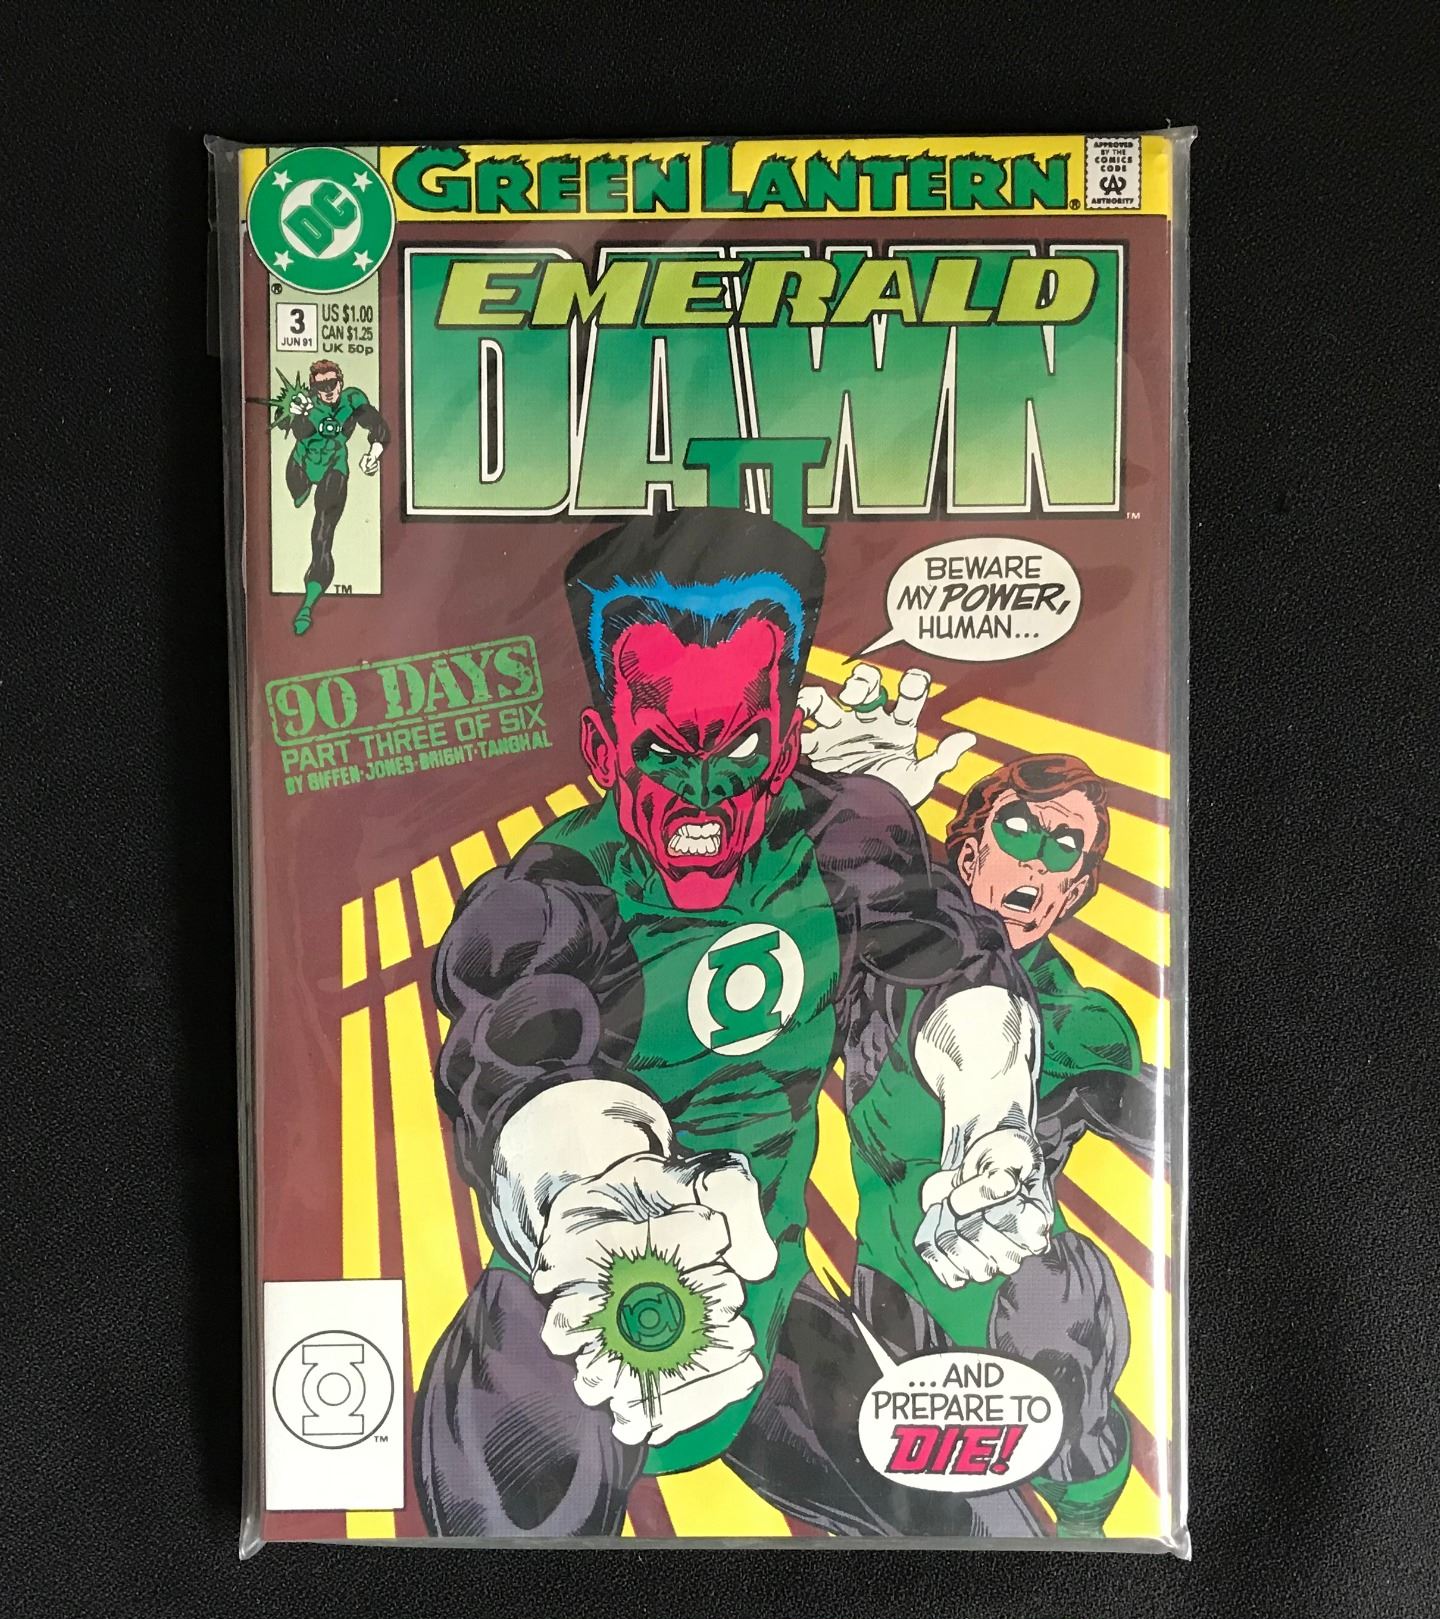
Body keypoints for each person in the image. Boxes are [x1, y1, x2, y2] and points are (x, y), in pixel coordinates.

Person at [414, 510, 1058, 1539]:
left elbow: (949, 959)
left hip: (768, 1303)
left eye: (738, 747)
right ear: (603, 750)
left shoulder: (848, 837)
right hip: (572, 1308)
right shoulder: (554, 892)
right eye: (665, 753)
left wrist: (989, 1124)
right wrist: (602, 1194)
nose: (704, 792)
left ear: (786, 740)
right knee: (508, 1549)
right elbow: (519, 1050)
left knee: (992, 1538)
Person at [804, 679, 1153, 1536]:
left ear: (1075, 891)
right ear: (967, 855)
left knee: (1077, 1471)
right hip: (891, 1286)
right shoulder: (872, 972)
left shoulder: (1082, 1019)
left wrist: (1002, 1139)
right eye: (1019, 831)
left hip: (1026, 1294)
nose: (1036, 862)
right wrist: (855, 801)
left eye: (1064, 849)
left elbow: (1092, 1089)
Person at [279, 359, 389, 635]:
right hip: (302, 466)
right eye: (322, 386)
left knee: (322, 533)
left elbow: (378, 426)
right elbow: (291, 422)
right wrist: (296, 413)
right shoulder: (305, 402)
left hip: (334, 466)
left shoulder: (352, 401)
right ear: (313, 387)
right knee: (297, 500)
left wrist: (374, 454)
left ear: (340, 381)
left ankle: (308, 603)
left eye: (332, 383)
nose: (328, 390)